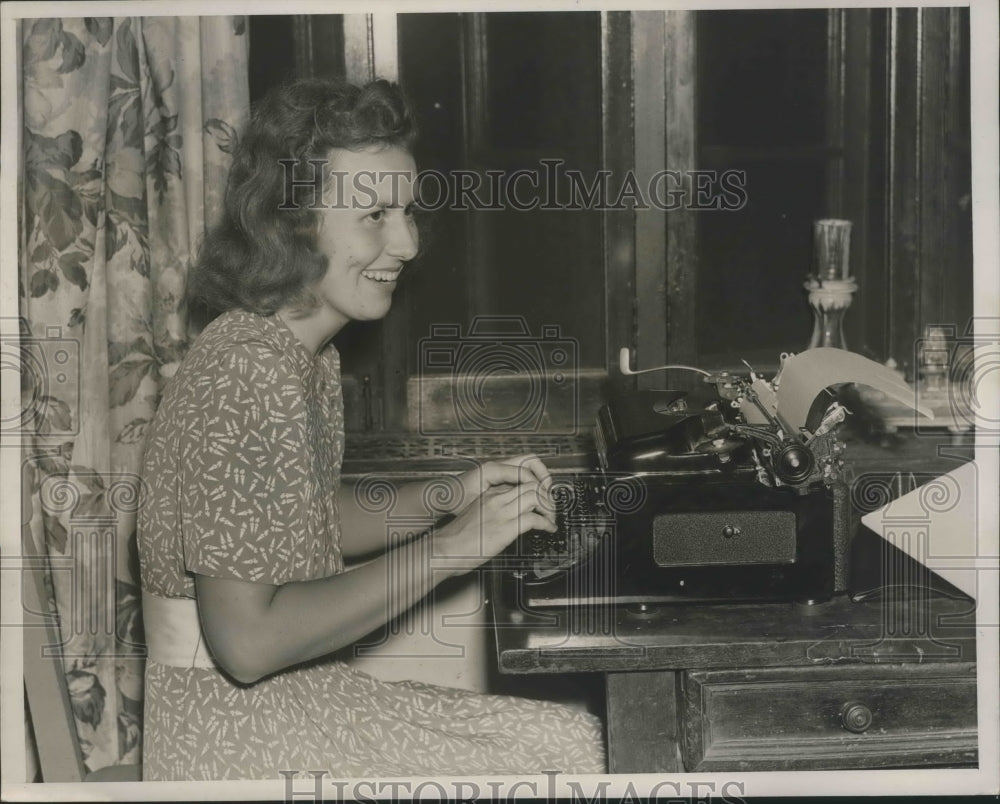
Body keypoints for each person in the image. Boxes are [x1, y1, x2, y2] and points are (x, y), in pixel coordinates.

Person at [137, 78, 606, 780]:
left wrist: (450, 495)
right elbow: (248, 645)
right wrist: (451, 548)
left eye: (408, 212)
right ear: (291, 223)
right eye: (375, 216)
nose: (409, 243)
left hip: (281, 707)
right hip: (227, 739)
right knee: (565, 747)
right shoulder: (247, 370)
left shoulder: (299, 354)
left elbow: (296, 525)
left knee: (563, 737)